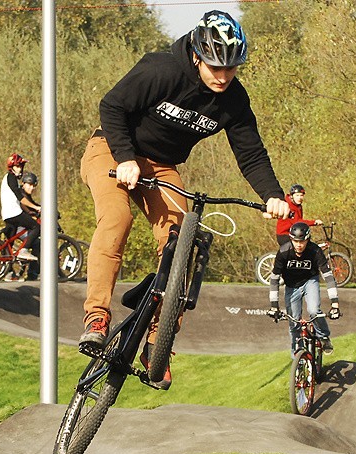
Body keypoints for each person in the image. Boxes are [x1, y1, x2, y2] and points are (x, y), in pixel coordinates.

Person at [78, 10, 290, 388]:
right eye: (215, 67)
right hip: (111, 150)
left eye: (231, 69)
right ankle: (97, 317)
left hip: (162, 168)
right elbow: (112, 106)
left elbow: (251, 153)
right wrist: (126, 158)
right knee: (117, 219)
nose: (223, 77)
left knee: (181, 244)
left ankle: (158, 344)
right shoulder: (161, 70)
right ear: (197, 55)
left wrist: (273, 195)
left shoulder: (234, 100)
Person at [266, 222, 341, 354]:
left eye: (302, 241)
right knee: (293, 321)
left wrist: (335, 304)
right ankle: (297, 354)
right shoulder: (283, 252)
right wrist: (274, 306)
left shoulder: (315, 251)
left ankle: (324, 337)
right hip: (291, 286)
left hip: (309, 281)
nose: (299, 245)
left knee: (313, 311)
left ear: (308, 240)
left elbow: (328, 277)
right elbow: (274, 280)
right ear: (291, 239)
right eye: (295, 241)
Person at [0, 157, 39, 262]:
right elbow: (21, 198)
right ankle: (24, 250)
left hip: (8, 214)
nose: (20, 169)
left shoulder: (9, 178)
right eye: (17, 166)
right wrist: (37, 208)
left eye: (21, 166)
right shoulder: (11, 178)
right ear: (11, 167)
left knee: (9, 243)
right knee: (36, 227)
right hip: (14, 213)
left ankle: (8, 271)